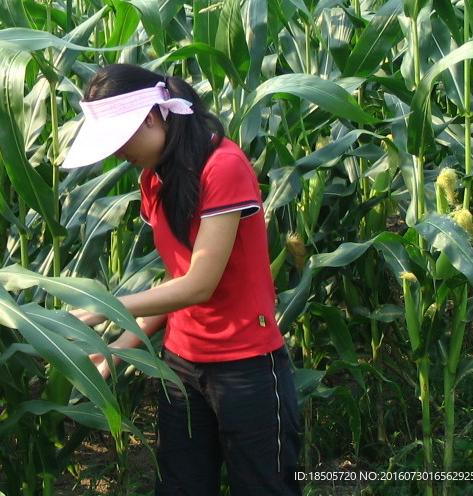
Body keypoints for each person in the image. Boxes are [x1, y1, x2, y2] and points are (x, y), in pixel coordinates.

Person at [61, 63, 301, 496]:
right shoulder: (155, 179)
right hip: (182, 367)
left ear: (152, 117)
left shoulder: (223, 166)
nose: (117, 154)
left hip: (245, 367)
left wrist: (103, 311)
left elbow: (199, 285)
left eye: (121, 139)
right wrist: (121, 346)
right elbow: (177, 283)